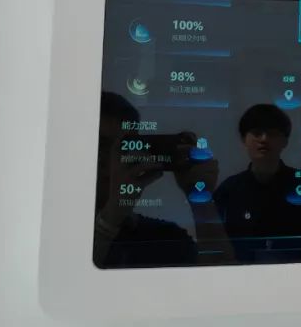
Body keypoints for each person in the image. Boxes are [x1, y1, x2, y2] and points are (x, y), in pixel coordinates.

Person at [94, 91, 226, 268]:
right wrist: (111, 216)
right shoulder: (60, 228)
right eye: (101, 145)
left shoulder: (166, 238)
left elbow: (220, 277)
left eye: (125, 147)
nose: (112, 160)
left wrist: (201, 199)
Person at [212, 104, 301, 263]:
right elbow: (216, 246)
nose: (264, 139)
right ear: (243, 139)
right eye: (257, 133)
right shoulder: (228, 190)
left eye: (272, 134)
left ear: (285, 141)